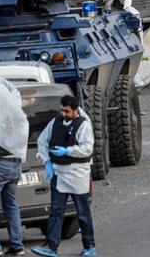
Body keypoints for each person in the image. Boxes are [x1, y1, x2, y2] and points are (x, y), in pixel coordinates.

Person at [32, 96, 97, 257]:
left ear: (75, 110)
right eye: (62, 110)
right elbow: (42, 140)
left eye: (66, 111)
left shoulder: (83, 125)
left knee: (82, 213)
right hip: (59, 173)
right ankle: (50, 246)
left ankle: (89, 245)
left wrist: (68, 151)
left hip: (78, 173)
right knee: (56, 212)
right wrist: (47, 161)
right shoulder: (56, 122)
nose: (63, 113)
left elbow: (87, 148)